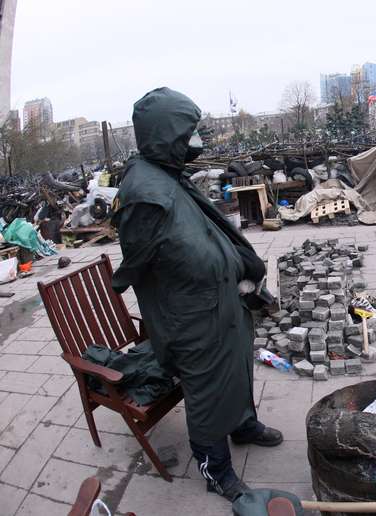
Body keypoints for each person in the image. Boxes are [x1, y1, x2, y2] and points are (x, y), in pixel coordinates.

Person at [112, 87, 282, 501]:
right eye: (188, 131)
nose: (196, 140)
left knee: (239, 363)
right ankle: (216, 469)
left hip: (221, 303)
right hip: (190, 317)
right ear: (166, 133)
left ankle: (243, 424)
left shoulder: (169, 175)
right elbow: (140, 262)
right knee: (206, 392)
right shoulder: (143, 193)